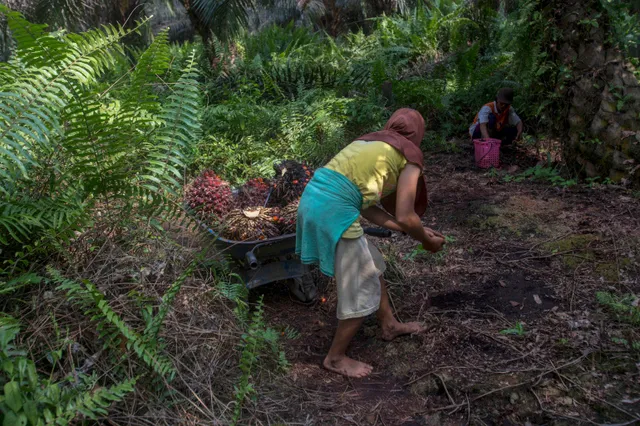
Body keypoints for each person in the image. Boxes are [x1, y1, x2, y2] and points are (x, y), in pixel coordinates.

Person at [296, 108, 446, 378]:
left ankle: (388, 324)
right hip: (333, 209)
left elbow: (366, 206)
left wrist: (411, 228)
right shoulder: (409, 155)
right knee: (362, 283)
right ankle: (335, 358)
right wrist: (425, 239)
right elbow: (406, 214)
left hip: (315, 200)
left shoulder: (368, 141)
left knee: (372, 263)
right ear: (417, 135)